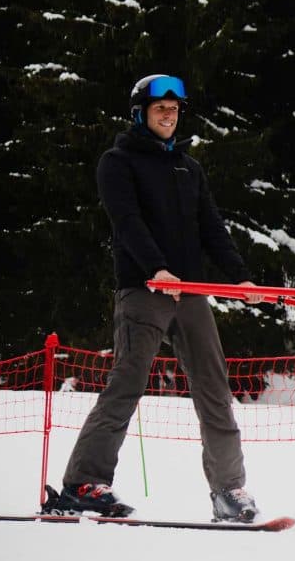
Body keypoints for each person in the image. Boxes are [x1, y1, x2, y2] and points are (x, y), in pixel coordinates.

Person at [46, 74, 266, 522]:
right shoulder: (118, 162)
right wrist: (156, 268)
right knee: (127, 382)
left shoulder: (189, 168)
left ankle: (229, 490)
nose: (168, 115)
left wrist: (241, 278)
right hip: (144, 289)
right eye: (160, 108)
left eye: (174, 109)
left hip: (191, 292)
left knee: (214, 388)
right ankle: (83, 483)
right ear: (140, 113)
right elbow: (126, 221)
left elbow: (212, 228)